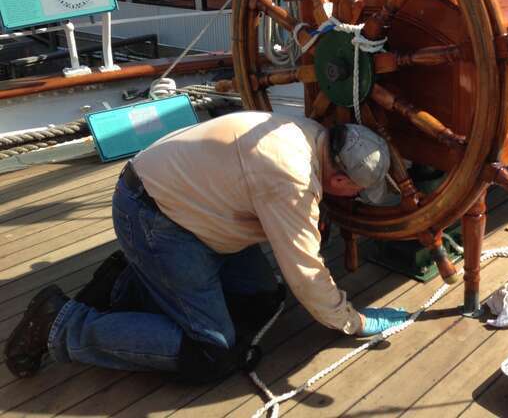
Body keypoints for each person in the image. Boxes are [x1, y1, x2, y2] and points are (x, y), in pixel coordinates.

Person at [5, 111, 409, 382]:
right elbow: (305, 271)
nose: (356, 198)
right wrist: (352, 322)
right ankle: (61, 324)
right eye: (358, 192)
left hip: (185, 207)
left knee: (263, 299)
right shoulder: (292, 180)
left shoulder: (308, 131)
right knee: (212, 354)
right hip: (157, 219)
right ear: (338, 180)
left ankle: (124, 281)